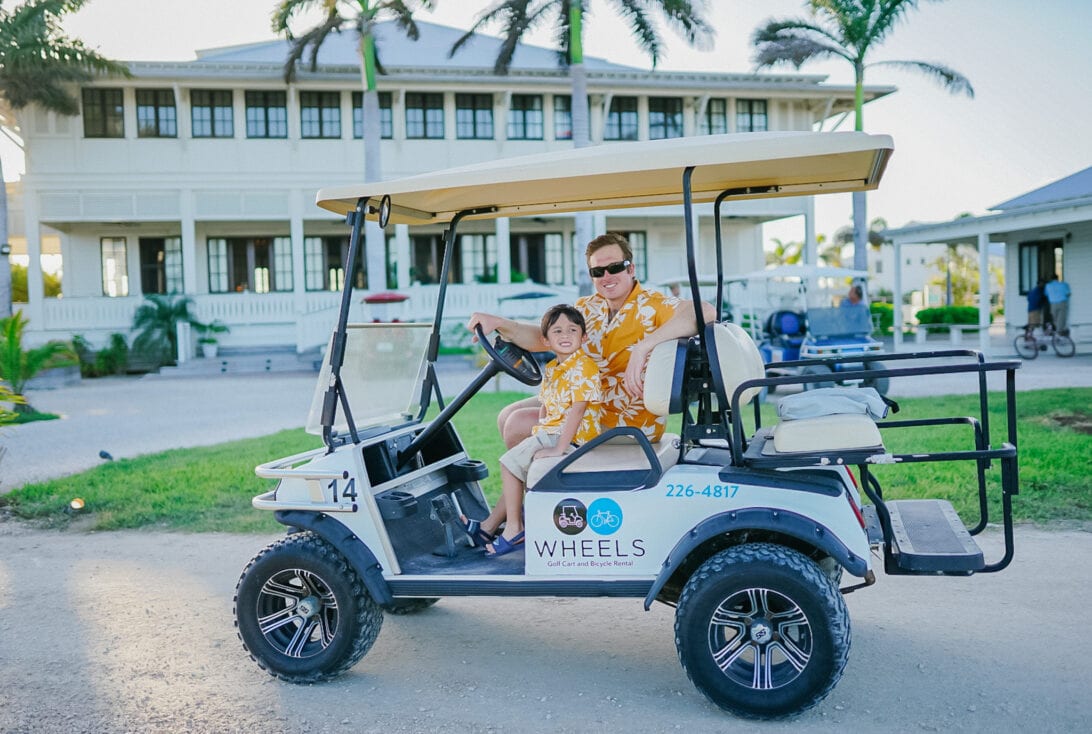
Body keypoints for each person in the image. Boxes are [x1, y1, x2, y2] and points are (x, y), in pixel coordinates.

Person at [468, 232, 716, 451]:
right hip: (584, 399)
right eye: (598, 271)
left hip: (626, 420)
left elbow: (704, 311)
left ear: (631, 269)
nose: (606, 276)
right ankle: (535, 491)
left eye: (615, 267)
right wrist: (500, 323)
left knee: (517, 424)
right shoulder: (587, 307)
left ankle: (536, 493)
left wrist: (643, 346)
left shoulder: (653, 305)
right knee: (506, 415)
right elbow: (546, 339)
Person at [465, 305, 602, 557]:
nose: (565, 335)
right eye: (557, 330)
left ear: (584, 338)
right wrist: (539, 432)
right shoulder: (552, 368)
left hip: (576, 438)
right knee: (518, 459)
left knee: (509, 463)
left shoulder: (584, 367)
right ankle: (490, 527)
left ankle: (514, 529)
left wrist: (558, 447)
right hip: (554, 430)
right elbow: (547, 406)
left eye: (572, 330)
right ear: (545, 340)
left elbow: (578, 410)